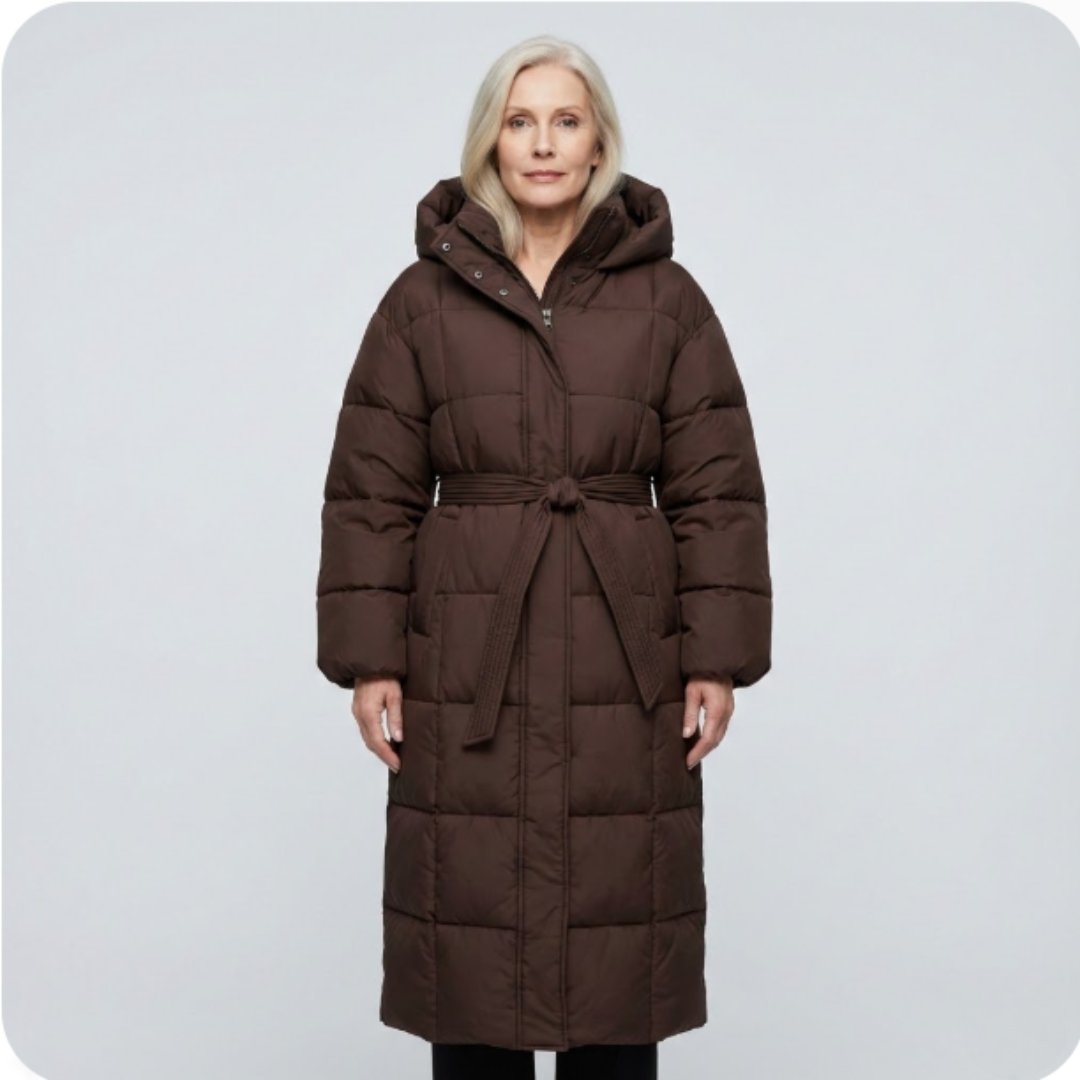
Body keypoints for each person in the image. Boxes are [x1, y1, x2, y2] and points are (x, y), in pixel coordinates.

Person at [316, 34, 773, 1080]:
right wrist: (371, 661)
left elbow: (717, 491)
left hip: (625, 654)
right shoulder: (422, 300)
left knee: (617, 962)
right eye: (520, 121)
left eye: (566, 121)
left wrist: (716, 658)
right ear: (491, 140)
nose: (543, 143)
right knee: (471, 954)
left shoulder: (669, 300)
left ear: (599, 141)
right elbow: (371, 492)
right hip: (467, 649)